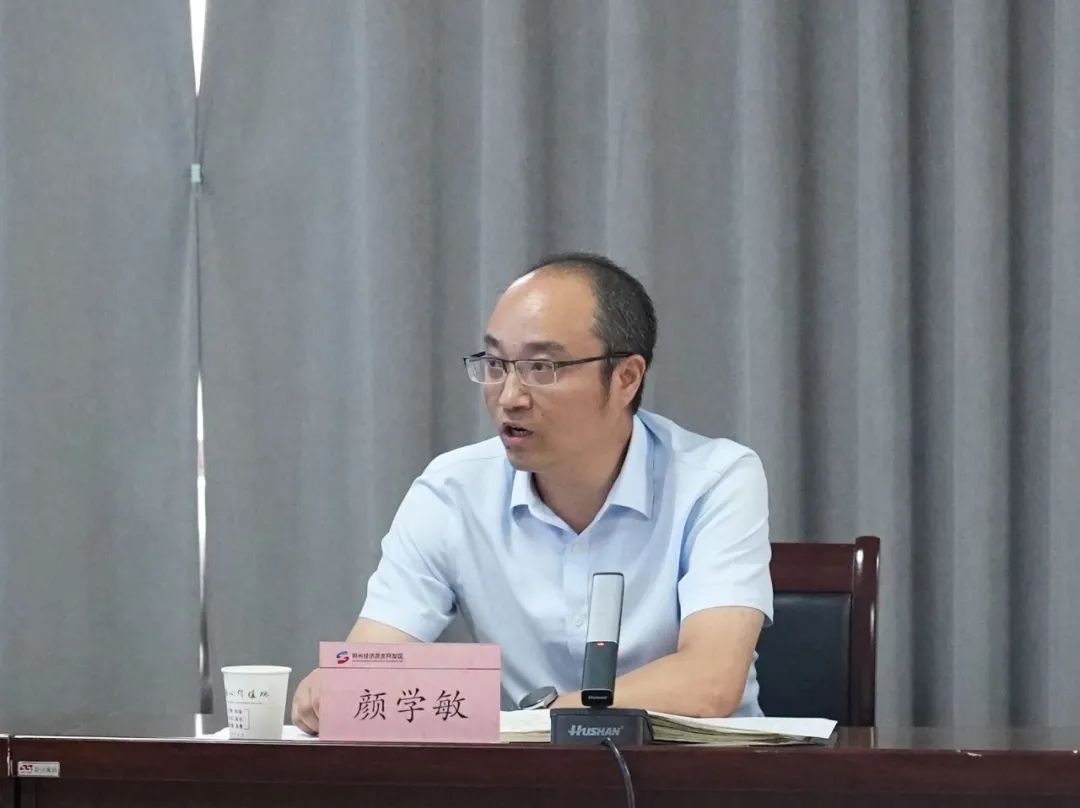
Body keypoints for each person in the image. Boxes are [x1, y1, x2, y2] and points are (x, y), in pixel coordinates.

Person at [291, 252, 772, 734]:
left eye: (542, 368)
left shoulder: (715, 479)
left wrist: (543, 718)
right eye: (496, 364)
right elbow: (372, 658)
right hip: (527, 769)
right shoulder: (453, 490)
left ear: (626, 377)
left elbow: (710, 681)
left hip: (695, 766)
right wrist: (338, 689)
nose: (509, 397)